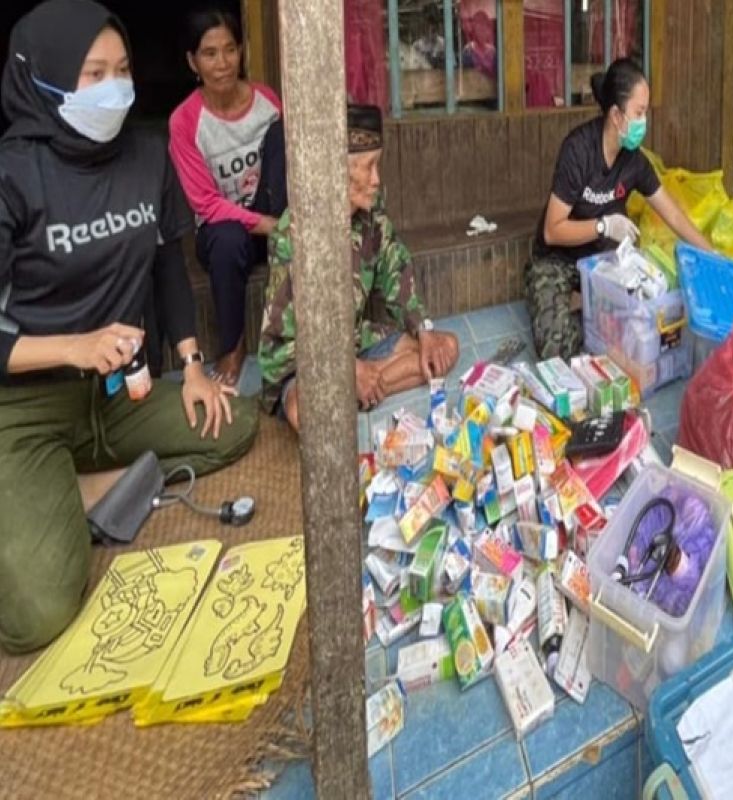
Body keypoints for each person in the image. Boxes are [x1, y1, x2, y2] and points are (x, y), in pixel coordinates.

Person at [0, 0, 258, 655]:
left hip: (120, 394)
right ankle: (59, 485)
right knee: (35, 615)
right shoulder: (13, 176)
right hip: (26, 407)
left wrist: (194, 365)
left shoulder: (145, 155)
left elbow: (167, 263)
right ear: (45, 77)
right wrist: (74, 346)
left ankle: (82, 484)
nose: (114, 86)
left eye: (121, 70)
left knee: (235, 422)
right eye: (93, 74)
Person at [258, 104, 459, 432]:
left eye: (377, 165)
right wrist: (345, 368)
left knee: (444, 348)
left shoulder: (371, 216)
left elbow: (397, 267)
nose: (377, 179)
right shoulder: (294, 233)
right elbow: (282, 344)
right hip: (309, 361)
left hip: (356, 341)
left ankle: (357, 391)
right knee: (302, 411)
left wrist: (422, 329)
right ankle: (356, 387)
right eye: (369, 167)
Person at [526, 57, 712, 359]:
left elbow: (674, 214)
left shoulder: (634, 160)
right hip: (558, 259)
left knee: (645, 325)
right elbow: (552, 230)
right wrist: (604, 225)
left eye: (645, 113)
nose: (644, 122)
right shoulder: (578, 151)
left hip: (603, 261)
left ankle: (584, 301)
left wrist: (715, 256)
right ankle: (567, 299)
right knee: (555, 348)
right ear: (616, 114)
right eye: (639, 113)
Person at [168, 9, 287, 386]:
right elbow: (204, 203)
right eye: (209, 53)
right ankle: (232, 345)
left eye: (230, 50)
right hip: (222, 232)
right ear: (192, 61)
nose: (222, 63)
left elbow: (288, 166)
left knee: (284, 135)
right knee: (227, 237)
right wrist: (270, 226)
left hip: (272, 214)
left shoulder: (266, 101)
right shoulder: (185, 121)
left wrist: (282, 220)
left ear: (242, 51)